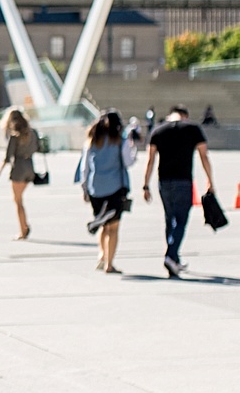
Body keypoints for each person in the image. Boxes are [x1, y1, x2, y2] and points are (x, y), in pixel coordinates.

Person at [142, 105, 216, 278]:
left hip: (164, 182)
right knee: (181, 220)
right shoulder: (192, 128)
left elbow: (150, 160)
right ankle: (170, 255)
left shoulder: (158, 130)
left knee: (170, 219)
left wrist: (145, 185)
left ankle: (174, 259)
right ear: (185, 116)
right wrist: (210, 180)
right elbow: (204, 155)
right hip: (184, 180)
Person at [75, 110, 134, 274]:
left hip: (96, 188)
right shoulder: (120, 141)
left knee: (103, 224)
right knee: (113, 227)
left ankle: (101, 255)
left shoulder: (92, 141)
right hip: (115, 188)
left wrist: (84, 188)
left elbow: (84, 167)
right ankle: (109, 263)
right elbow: (128, 162)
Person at [0, 107, 40, 240]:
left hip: (19, 168)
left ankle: (23, 230)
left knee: (18, 201)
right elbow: (37, 147)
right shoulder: (32, 133)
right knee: (20, 199)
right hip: (30, 167)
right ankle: (24, 225)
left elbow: (8, 157)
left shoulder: (14, 136)